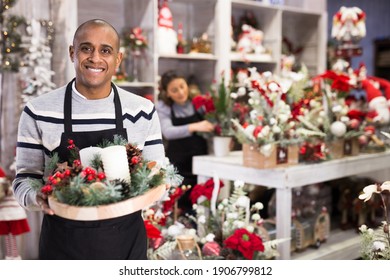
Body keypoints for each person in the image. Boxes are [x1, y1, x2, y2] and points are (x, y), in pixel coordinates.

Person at [12, 19, 165, 260]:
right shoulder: (38, 111)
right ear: (73, 53)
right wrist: (38, 196)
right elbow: (24, 180)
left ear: (118, 59)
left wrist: (148, 186)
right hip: (63, 247)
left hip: (125, 245)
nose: (95, 58)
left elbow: (161, 177)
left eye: (105, 50)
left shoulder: (142, 111)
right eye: (86, 48)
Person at [156, 70, 214, 213]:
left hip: (201, 163)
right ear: (167, 93)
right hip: (179, 166)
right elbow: (168, 132)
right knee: (180, 205)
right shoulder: (164, 107)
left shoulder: (197, 102)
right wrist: (194, 126)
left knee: (201, 204)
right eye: (174, 90)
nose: (181, 92)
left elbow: (212, 123)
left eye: (182, 86)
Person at [0, 166, 30, 260]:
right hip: (6, 213)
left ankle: (13, 256)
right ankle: (11, 255)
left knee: (11, 237)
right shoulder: (6, 184)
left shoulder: (4, 185)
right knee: (9, 237)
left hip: (10, 213)